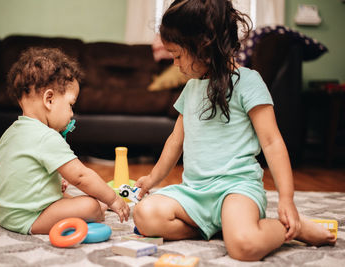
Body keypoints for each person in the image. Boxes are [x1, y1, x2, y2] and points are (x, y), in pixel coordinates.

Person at [133, 0, 336, 261]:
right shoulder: (192, 88)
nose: (174, 64)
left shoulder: (249, 82)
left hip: (236, 189)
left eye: (177, 55)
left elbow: (272, 142)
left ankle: (286, 229)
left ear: (203, 47)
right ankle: (218, 228)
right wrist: (153, 178)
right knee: (145, 216)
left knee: (244, 247)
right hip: (195, 192)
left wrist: (286, 199)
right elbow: (175, 140)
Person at [0, 47, 130, 235]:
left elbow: (22, 175)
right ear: (49, 99)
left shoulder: (10, 133)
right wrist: (112, 198)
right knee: (91, 205)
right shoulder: (46, 136)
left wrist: (53, 183)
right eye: (71, 105)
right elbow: (81, 176)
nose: (72, 114)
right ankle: (96, 209)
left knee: (68, 194)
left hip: (7, 214)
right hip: (30, 218)